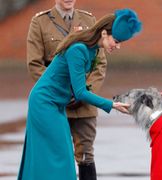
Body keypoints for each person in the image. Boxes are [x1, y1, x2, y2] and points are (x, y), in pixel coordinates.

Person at [18, 8, 142, 180]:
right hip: (45, 103)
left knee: (60, 154)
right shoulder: (79, 49)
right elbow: (80, 92)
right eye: (117, 40)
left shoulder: (91, 50)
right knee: (59, 156)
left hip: (56, 103)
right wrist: (112, 105)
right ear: (104, 33)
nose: (118, 46)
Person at [26, 0, 107, 179]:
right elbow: (35, 64)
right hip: (54, 103)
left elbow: (100, 64)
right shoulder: (40, 22)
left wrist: (85, 92)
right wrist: (59, 91)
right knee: (53, 153)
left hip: (84, 102)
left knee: (86, 153)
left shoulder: (89, 20)